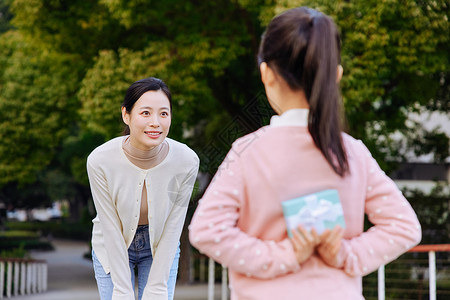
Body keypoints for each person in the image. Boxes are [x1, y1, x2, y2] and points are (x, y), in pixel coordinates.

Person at [188, 7, 421, 300]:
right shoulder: (352, 153)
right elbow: (404, 227)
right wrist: (343, 255)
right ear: (336, 75)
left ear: (266, 74)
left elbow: (206, 231)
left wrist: (285, 255)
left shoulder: (247, 151)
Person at [87, 77, 199, 300]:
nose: (156, 122)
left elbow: (174, 224)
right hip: (112, 243)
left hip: (161, 247)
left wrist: (157, 288)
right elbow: (109, 226)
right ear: (126, 115)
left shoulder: (186, 160)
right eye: (145, 113)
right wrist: (122, 291)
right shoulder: (100, 160)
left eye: (164, 113)